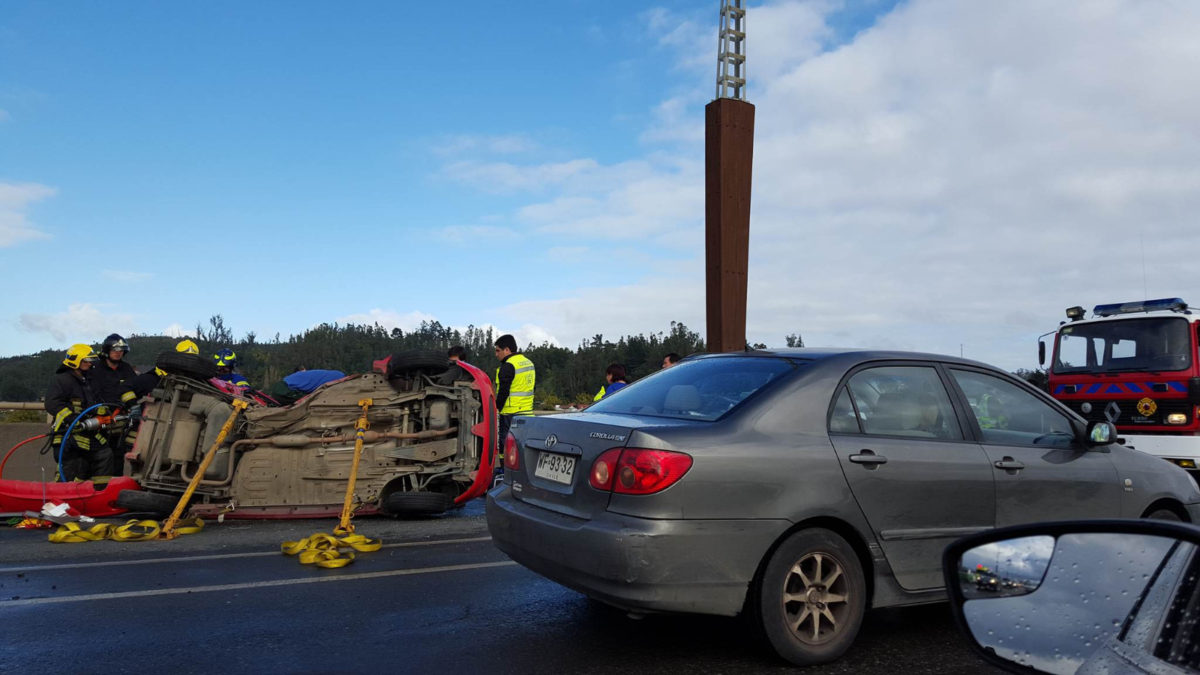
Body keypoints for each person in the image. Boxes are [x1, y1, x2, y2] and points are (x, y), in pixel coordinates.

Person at [44, 344, 113, 482]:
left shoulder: (89, 380)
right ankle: (60, 498)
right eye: (85, 361)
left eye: (90, 361)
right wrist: (74, 419)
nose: (89, 363)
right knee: (72, 469)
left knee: (105, 456)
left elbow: (97, 402)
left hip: (90, 434)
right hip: (68, 435)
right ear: (75, 361)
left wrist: (102, 413)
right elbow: (53, 404)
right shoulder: (62, 380)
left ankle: (99, 493)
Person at [87, 333, 139, 475]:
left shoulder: (126, 369)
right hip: (98, 422)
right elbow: (89, 393)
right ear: (107, 351)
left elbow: (133, 389)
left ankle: (114, 489)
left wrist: (133, 405)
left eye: (121, 350)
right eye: (115, 350)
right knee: (98, 457)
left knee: (117, 456)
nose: (118, 353)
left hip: (119, 422)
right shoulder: (95, 369)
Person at [493, 334, 535, 456]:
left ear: (507, 350)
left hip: (510, 414)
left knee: (506, 446)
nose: (496, 354)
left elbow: (503, 391)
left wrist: (497, 407)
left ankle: (504, 472)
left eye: (498, 351)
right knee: (523, 445)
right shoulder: (529, 363)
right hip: (528, 412)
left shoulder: (508, 366)